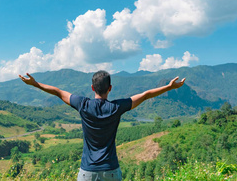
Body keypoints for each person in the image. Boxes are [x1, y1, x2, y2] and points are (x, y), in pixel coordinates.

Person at [19, 70, 185, 181]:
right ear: (110, 88)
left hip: (87, 172)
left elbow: (58, 92)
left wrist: (35, 84)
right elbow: (145, 95)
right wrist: (169, 86)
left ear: (92, 88)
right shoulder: (116, 107)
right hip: (111, 170)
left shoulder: (83, 105)